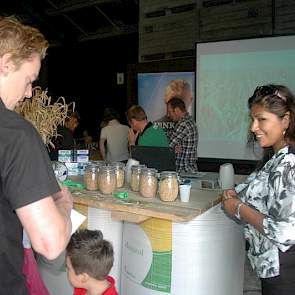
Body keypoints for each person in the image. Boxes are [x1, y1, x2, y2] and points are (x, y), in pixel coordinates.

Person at [0, 16, 72, 293]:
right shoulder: (15, 133)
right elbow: (50, 243)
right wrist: (64, 206)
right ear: (6, 64)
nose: (30, 93)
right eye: (28, 80)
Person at [222, 84, 295, 295]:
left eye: (261, 119)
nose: (253, 127)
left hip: (284, 274)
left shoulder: (288, 164)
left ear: (286, 120)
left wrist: (238, 208)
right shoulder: (276, 158)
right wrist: (237, 195)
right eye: (252, 120)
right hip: (271, 269)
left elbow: (286, 232)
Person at [66, 229, 119, 295]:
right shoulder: (82, 287)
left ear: (83, 277)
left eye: (68, 268)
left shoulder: (82, 286)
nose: (67, 271)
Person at [166, 97, 198, 172]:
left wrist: (171, 149)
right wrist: (173, 149)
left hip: (184, 172)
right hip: (188, 171)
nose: (168, 115)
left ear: (176, 110)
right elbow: (172, 138)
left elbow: (168, 146)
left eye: (169, 112)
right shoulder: (189, 121)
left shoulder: (184, 124)